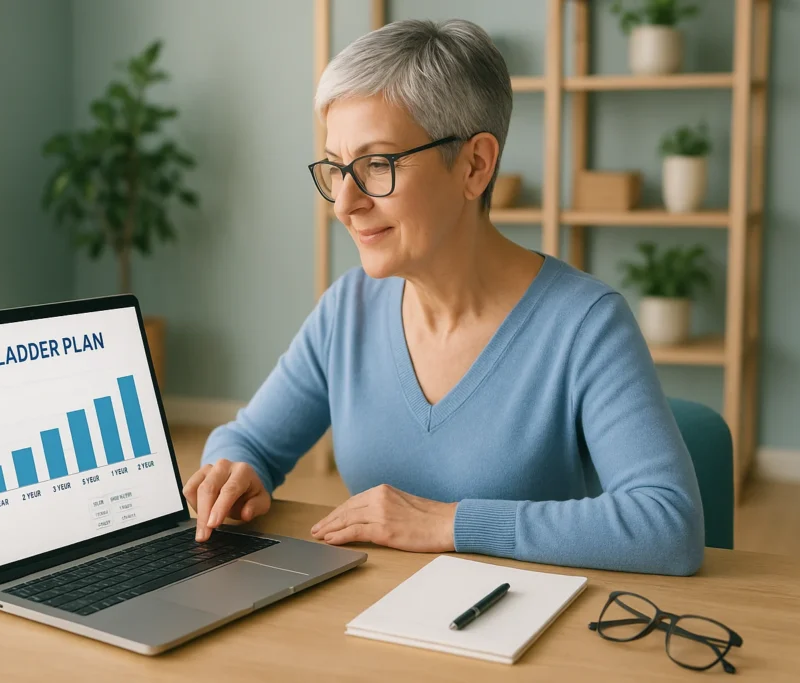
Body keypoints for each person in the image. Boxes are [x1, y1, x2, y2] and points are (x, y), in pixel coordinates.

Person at [183, 18, 704, 575]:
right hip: (380, 627)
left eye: (377, 165)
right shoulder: (347, 310)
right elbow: (249, 441)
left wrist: (449, 524)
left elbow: (668, 523)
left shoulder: (586, 326)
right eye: (337, 170)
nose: (344, 204)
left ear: (475, 165)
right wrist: (231, 470)